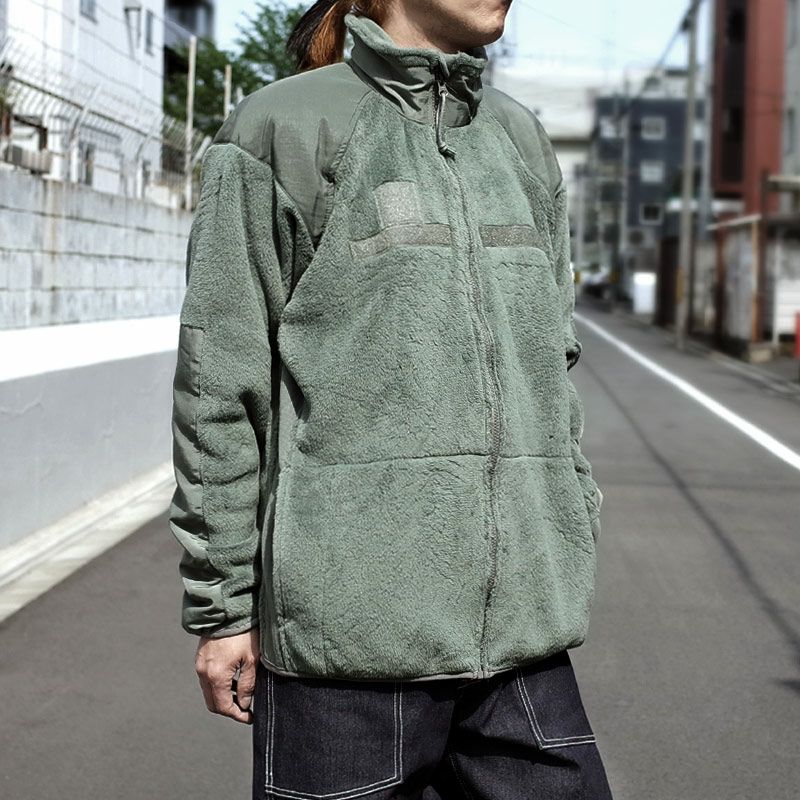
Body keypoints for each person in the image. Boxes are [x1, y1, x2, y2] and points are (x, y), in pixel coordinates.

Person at [168, 0, 611, 796]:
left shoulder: (518, 139)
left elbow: (554, 362)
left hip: (524, 643)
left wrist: (571, 520)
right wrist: (224, 606)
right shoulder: (280, 128)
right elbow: (220, 383)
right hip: (346, 651)